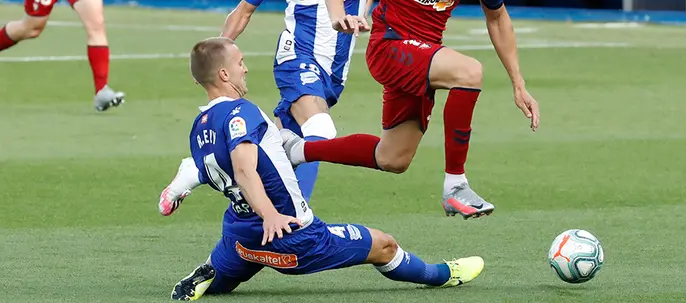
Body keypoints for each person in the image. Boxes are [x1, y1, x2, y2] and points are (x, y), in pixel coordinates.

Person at [280, 0, 540, 219]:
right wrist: (337, 15)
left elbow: (498, 18)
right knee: (469, 72)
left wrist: (518, 83)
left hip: (423, 57)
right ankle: (456, 185)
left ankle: (297, 150)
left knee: (393, 158)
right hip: (390, 48)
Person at [169, 36, 485, 301]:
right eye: (240, 63)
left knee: (223, 278)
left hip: (240, 238)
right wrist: (271, 215)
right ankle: (443, 274)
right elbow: (244, 170)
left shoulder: (201, 125)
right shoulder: (242, 113)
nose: (246, 68)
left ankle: (210, 272)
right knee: (384, 245)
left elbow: (218, 169)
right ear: (224, 74)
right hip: (291, 234)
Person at [158, 0, 377, 215]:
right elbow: (244, 10)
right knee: (320, 129)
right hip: (297, 58)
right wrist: (218, 56)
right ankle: (299, 214)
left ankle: (196, 170)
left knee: (273, 145)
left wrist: (365, 10)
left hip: (334, 69)